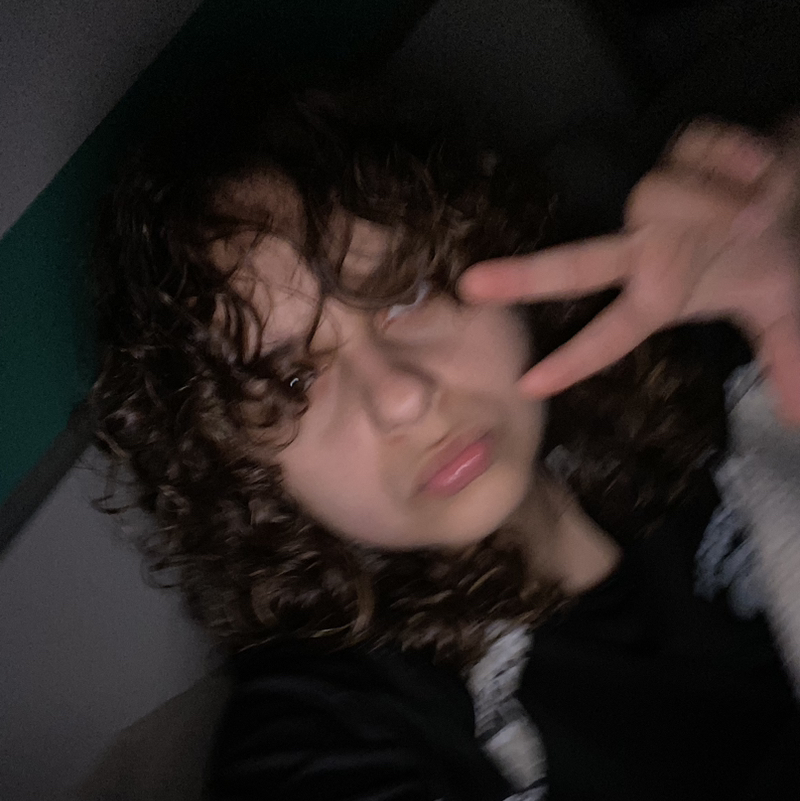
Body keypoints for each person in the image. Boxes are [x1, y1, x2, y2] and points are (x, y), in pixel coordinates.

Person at [92, 76, 800, 800]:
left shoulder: (702, 342)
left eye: (407, 294)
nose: (403, 396)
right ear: (243, 471)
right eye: (293, 382)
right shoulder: (337, 724)